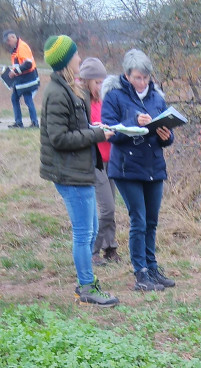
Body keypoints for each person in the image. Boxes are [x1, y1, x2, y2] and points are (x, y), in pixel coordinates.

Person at [39, 35, 119, 307]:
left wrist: (96, 132)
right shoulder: (57, 94)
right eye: (75, 55)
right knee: (84, 233)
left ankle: (86, 282)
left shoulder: (71, 89)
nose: (79, 58)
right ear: (64, 61)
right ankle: (87, 287)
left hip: (80, 170)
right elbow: (59, 138)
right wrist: (96, 135)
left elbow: (76, 130)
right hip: (70, 174)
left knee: (91, 227)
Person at [101, 49, 176, 291]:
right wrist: (136, 123)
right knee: (139, 219)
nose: (142, 82)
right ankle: (141, 273)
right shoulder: (114, 96)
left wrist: (166, 135)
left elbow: (166, 134)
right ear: (126, 75)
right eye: (137, 78)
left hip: (154, 166)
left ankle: (152, 268)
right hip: (126, 168)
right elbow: (109, 130)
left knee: (152, 220)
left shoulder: (157, 97)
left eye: (145, 77)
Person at [79, 56, 120, 267]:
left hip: (111, 159)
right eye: (96, 82)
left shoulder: (108, 100)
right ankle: (93, 251)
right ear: (86, 82)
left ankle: (110, 247)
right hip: (94, 161)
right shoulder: (81, 103)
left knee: (110, 205)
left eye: (103, 81)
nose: (100, 86)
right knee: (107, 208)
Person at [2, 30, 40, 128]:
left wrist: (14, 72)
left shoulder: (22, 47)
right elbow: (18, 64)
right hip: (20, 79)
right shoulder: (16, 49)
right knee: (14, 98)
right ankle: (19, 122)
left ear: (13, 38)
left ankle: (34, 122)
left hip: (27, 79)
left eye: (8, 41)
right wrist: (11, 71)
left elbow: (28, 64)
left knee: (27, 99)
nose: (7, 43)